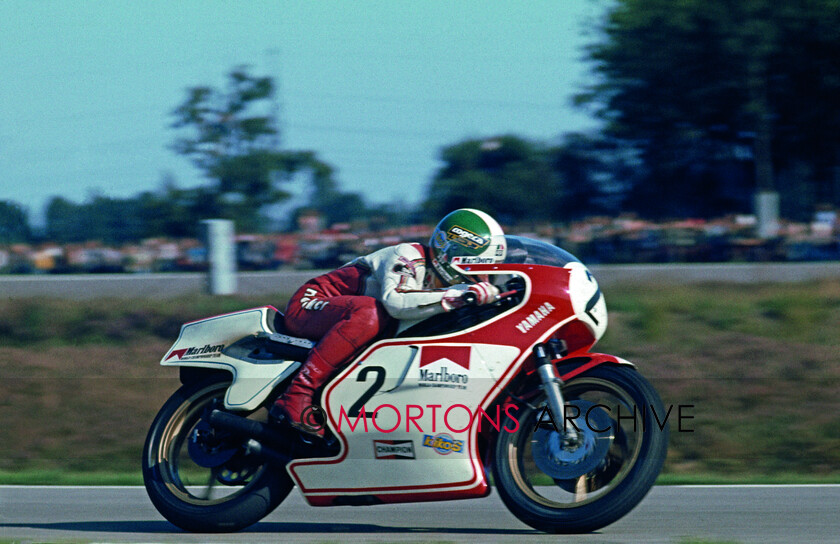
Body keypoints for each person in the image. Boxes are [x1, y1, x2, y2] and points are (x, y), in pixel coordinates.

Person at [270, 208, 507, 438]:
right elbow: (396, 303)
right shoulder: (407, 255)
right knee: (371, 312)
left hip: (352, 322)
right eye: (476, 266)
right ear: (449, 254)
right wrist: (457, 296)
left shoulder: (445, 278)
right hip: (309, 304)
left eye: (488, 270)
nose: (483, 277)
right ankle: (298, 392)